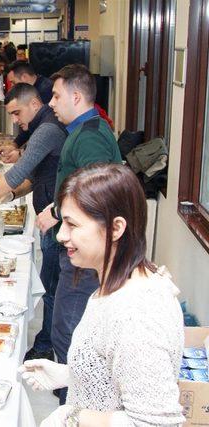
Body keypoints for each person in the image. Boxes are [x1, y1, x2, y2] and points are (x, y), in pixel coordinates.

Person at [19, 163, 185, 427]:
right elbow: (115, 368)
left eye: (72, 225)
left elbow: (156, 423)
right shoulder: (117, 282)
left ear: (116, 228)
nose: (61, 235)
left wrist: (72, 416)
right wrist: (71, 375)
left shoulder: (139, 315)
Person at [35, 64, 122, 403]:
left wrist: (58, 213)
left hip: (87, 252)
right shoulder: (82, 130)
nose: (52, 103)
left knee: (70, 328)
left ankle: (75, 405)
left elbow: (97, 196)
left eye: (56, 96)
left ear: (76, 96)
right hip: (78, 245)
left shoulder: (89, 137)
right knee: (63, 319)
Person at [0, 83, 67, 362]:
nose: (15, 120)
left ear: (34, 105)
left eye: (16, 113)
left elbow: (17, 174)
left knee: (53, 289)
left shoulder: (47, 129)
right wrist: (13, 194)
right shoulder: (42, 127)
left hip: (55, 220)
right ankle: (46, 342)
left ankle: (46, 348)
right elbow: (35, 177)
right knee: (52, 285)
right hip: (47, 216)